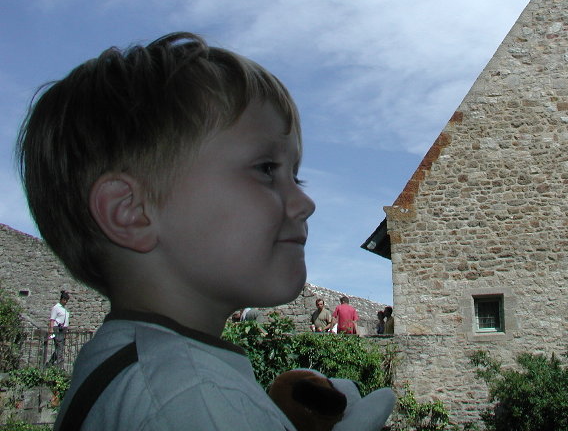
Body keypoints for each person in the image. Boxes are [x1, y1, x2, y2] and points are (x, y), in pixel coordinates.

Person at [16, 33, 393, 430]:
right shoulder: (191, 396)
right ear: (132, 212)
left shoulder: (128, 370)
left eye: (295, 176)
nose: (305, 203)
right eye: (266, 169)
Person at [47, 290, 70, 367]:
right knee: (59, 346)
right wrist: (51, 329)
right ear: (61, 299)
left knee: (60, 347)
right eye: (64, 300)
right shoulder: (56, 308)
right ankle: (60, 364)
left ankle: (50, 364)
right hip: (57, 329)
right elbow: (52, 319)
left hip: (63, 329)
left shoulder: (64, 309)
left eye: (66, 300)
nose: (65, 302)